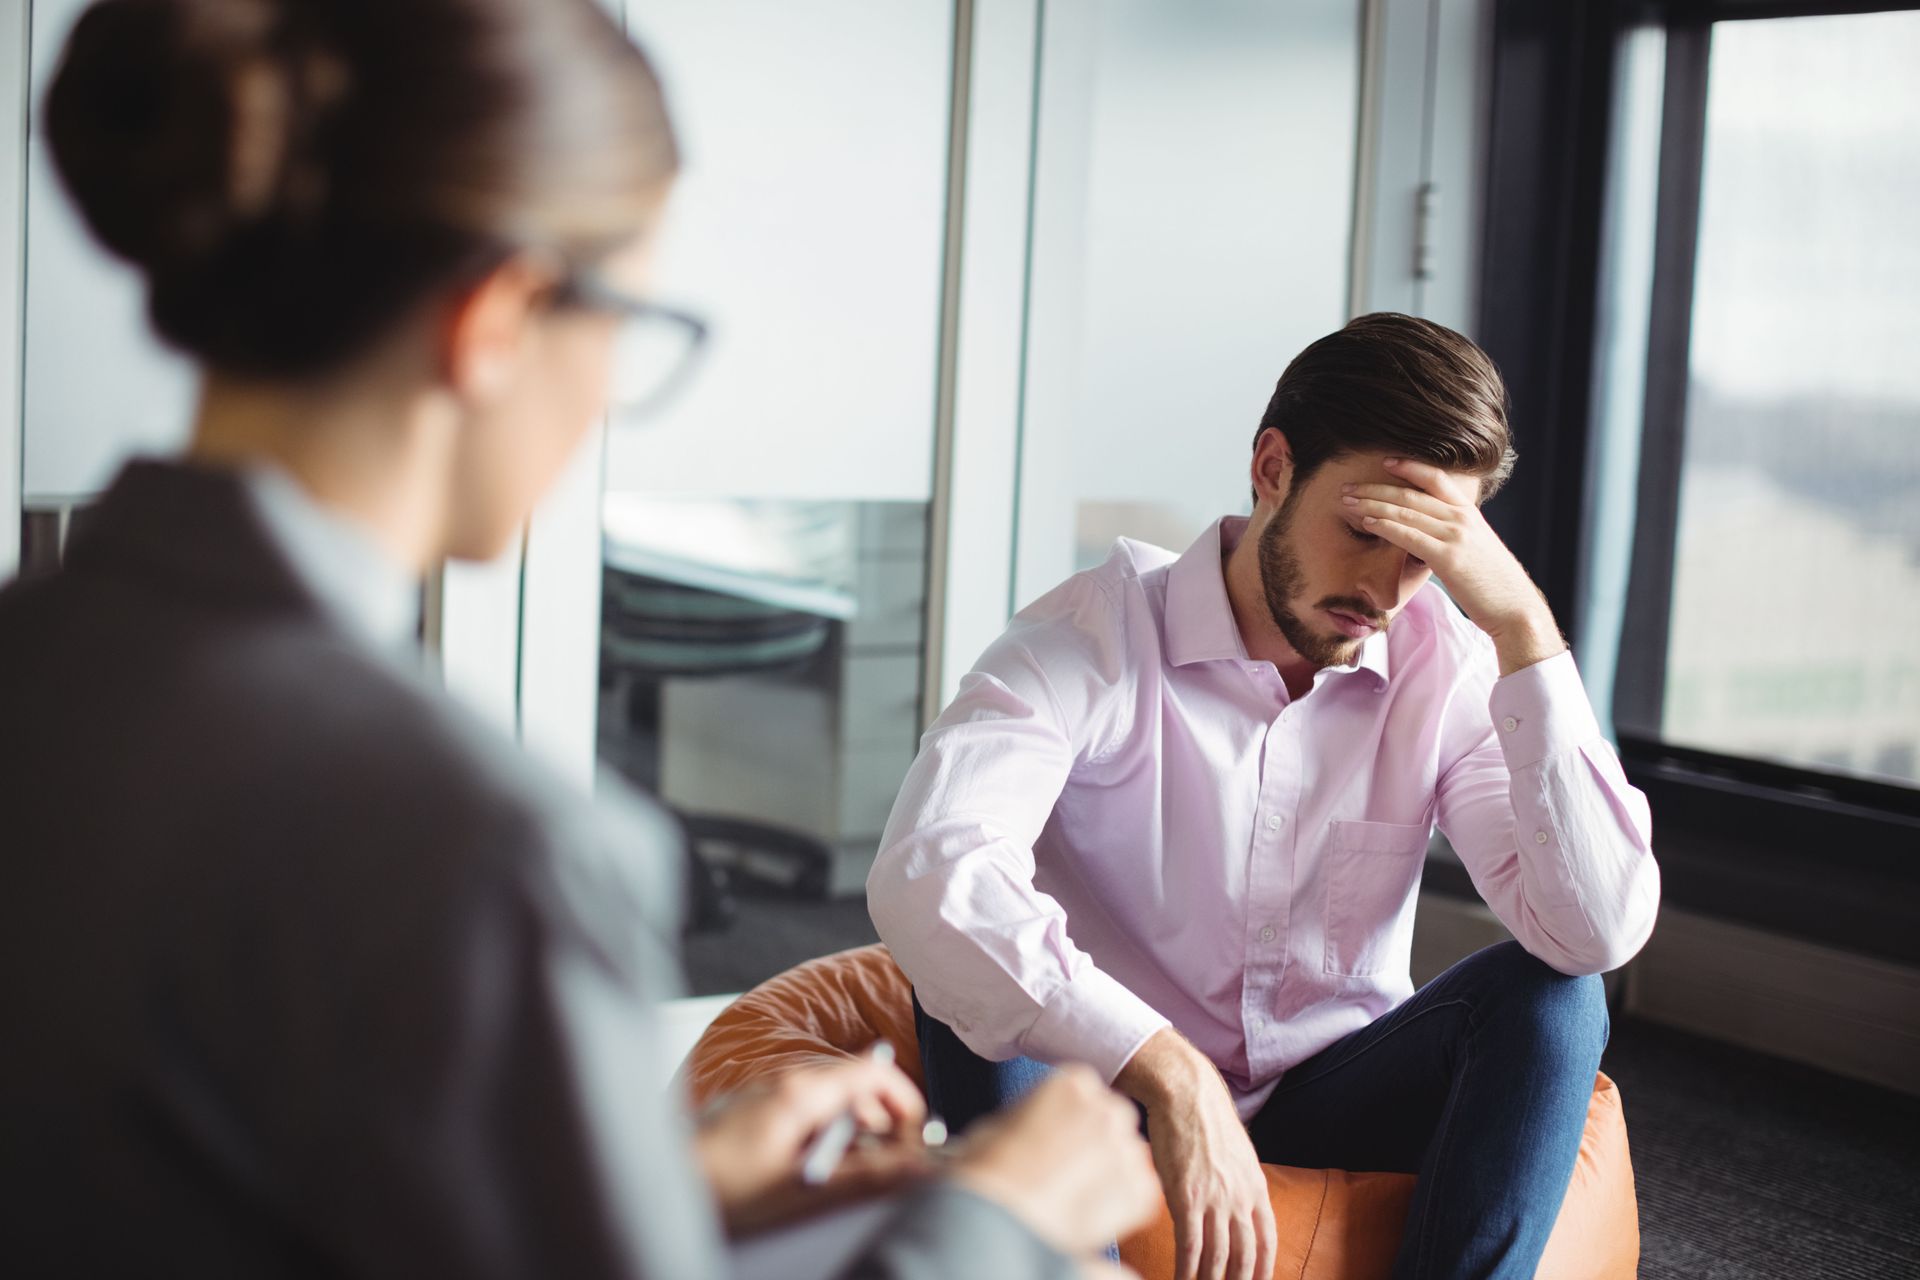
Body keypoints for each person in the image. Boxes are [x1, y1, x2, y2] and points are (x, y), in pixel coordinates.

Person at [0, 1, 1158, 1276]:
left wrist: (665, 1188)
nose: (609, 391)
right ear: (499, 316)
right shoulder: (478, 846)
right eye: (625, 328)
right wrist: (1000, 1214)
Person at [868, 312, 1663, 1280]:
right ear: (1273, 467)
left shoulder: (1446, 665)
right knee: (966, 984)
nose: (1384, 586)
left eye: (1428, 555)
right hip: (1106, 1083)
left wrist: (1521, 622)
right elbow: (927, 867)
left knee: (1556, 998)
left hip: (1332, 1086)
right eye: (1367, 528)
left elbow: (1597, 930)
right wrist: (1163, 1065)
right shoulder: (1096, 635)